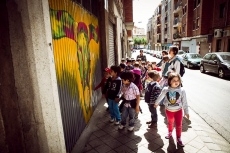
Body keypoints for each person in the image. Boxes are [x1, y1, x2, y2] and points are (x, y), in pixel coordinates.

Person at [154, 73, 189, 147]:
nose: (176, 82)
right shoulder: (166, 89)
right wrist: (156, 103)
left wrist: (186, 112)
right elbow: (160, 96)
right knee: (170, 123)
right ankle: (169, 132)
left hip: (178, 111)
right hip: (169, 111)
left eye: (178, 80)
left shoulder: (182, 90)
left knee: (179, 125)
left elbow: (185, 102)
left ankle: (179, 138)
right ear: (169, 81)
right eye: (174, 80)